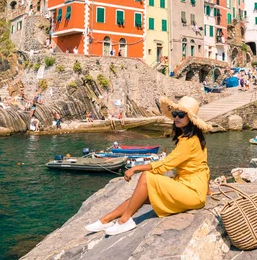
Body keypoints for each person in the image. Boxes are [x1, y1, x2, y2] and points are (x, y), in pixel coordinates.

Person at [85, 96, 211, 236]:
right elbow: (203, 166)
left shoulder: (189, 142)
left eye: (181, 114)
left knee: (147, 176)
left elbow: (165, 164)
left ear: (190, 119)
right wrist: (207, 188)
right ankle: (106, 220)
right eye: (175, 114)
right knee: (142, 196)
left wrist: (136, 168)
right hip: (189, 187)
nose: (176, 117)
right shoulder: (192, 138)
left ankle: (124, 220)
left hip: (192, 192)